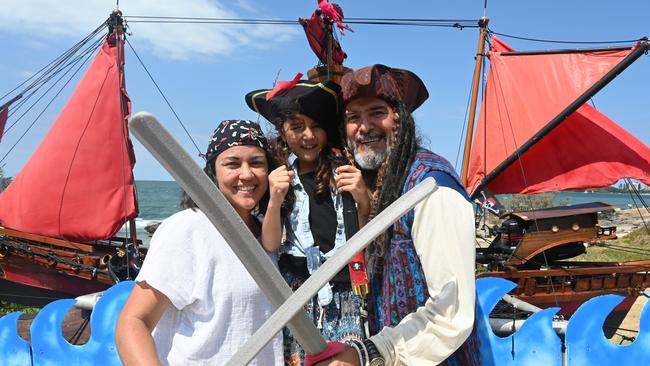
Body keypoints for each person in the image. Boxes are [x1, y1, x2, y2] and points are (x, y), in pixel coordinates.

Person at [312, 65, 476, 366]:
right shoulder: (385, 183)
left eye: (377, 113)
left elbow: (451, 312)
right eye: (353, 117)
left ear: (400, 121)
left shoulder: (431, 188)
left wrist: (371, 353)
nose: (364, 127)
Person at [115, 119, 283, 366]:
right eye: (232, 164)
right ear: (213, 173)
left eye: (257, 162)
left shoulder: (270, 234)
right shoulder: (187, 229)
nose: (246, 174)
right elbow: (132, 323)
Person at [245, 77, 371, 366]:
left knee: (342, 359)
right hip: (295, 290)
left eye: (316, 126)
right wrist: (275, 199)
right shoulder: (278, 177)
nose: (309, 135)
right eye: (297, 127)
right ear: (283, 132)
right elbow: (271, 243)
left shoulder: (347, 171)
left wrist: (363, 198)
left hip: (345, 290)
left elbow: (366, 237)